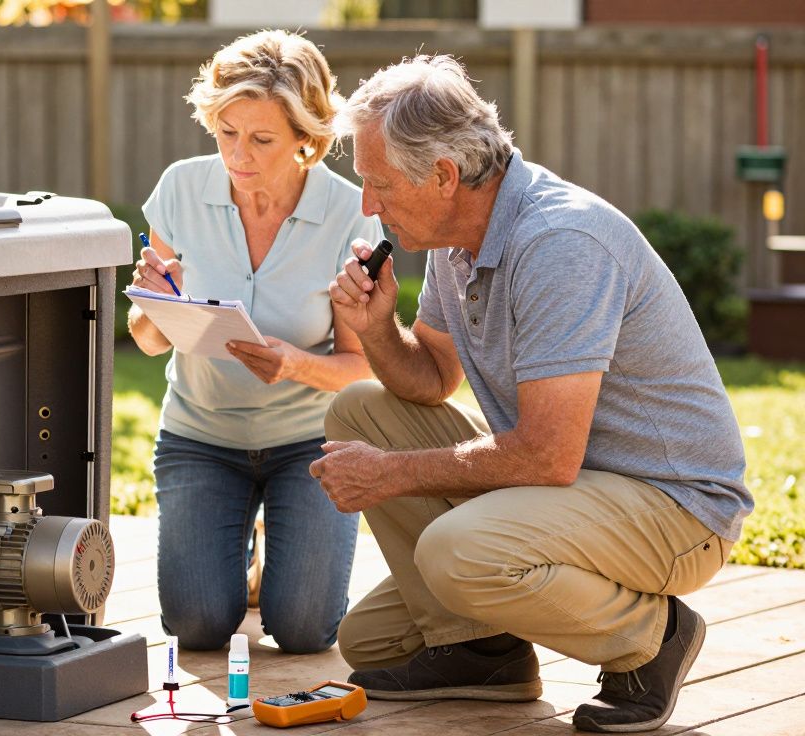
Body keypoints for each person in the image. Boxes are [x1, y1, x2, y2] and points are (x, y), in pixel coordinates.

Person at [310, 54, 751, 732]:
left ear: (445, 176)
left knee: (455, 554)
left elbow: (548, 455)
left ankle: (651, 638)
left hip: (675, 506)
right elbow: (431, 377)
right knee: (367, 621)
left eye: (378, 184)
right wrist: (375, 330)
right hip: (574, 487)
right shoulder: (458, 241)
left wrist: (391, 474)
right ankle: (482, 653)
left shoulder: (558, 242)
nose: (369, 205)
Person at [129, 29, 385, 653]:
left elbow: (361, 369)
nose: (237, 155)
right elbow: (146, 343)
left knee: (303, 633)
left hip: (310, 444)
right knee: (196, 626)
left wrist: (293, 364)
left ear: (307, 140)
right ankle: (236, 561)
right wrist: (157, 304)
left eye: (261, 139)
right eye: (226, 133)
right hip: (201, 438)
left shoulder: (353, 216)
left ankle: (280, 547)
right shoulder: (181, 190)